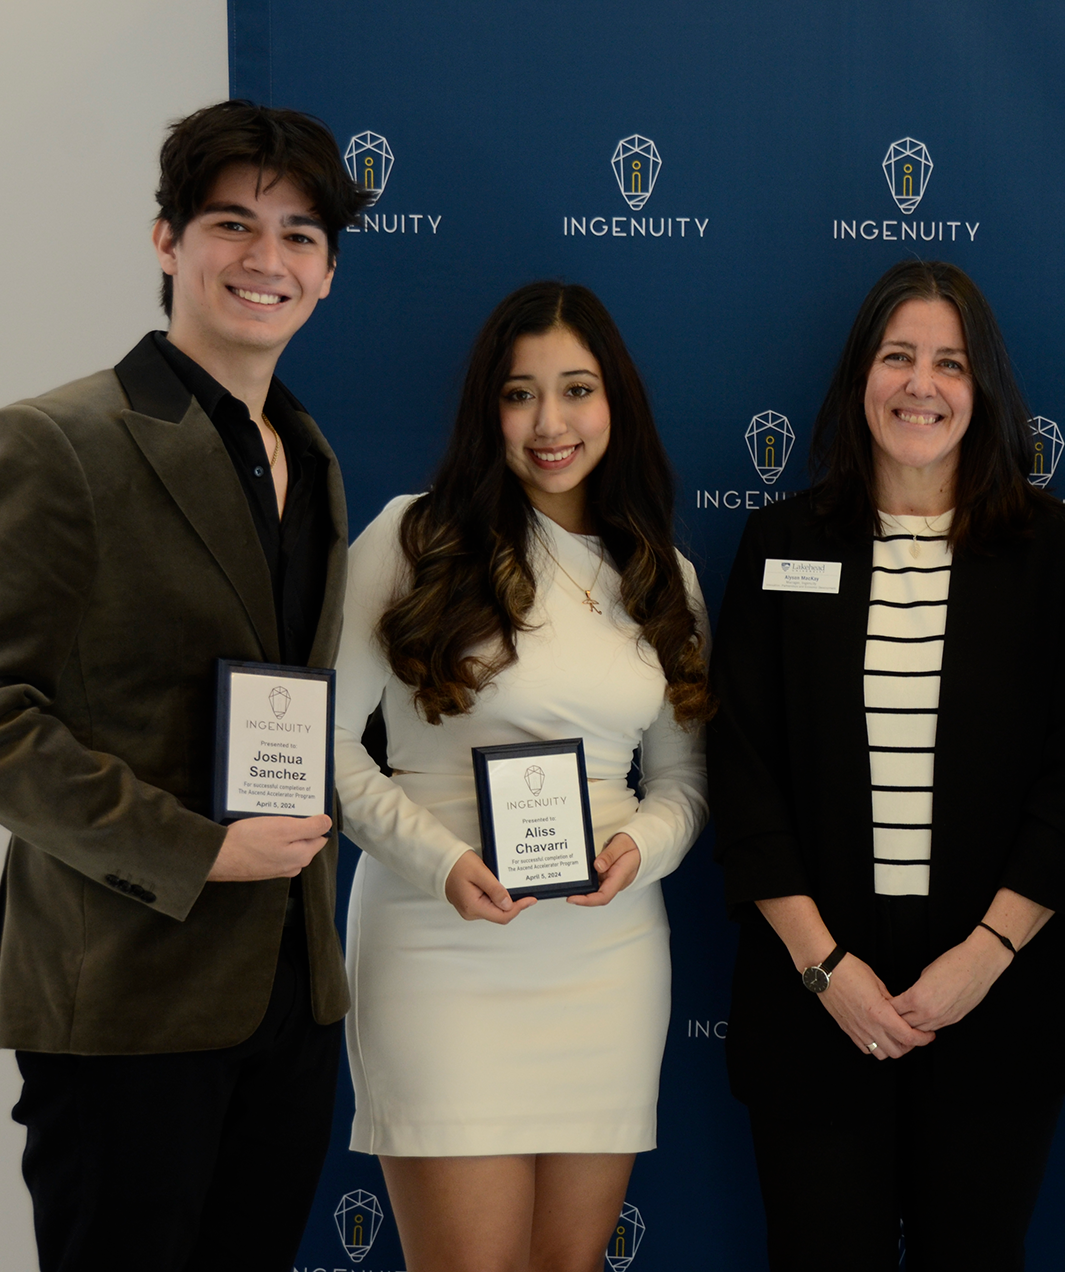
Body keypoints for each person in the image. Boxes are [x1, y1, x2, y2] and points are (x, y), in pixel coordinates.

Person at [0, 101, 369, 1269]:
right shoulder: (59, 440)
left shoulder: (312, 457)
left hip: (289, 992)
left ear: (326, 271)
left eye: (301, 235)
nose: (267, 260)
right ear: (166, 239)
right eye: (233, 223)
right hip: (125, 993)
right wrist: (190, 847)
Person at [708, 259, 1065, 1270]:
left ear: (983, 391)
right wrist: (827, 969)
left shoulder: (1055, 551)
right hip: (815, 1011)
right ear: (860, 378)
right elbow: (742, 773)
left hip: (996, 1010)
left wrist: (979, 962)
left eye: (950, 363)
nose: (920, 386)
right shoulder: (782, 541)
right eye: (897, 357)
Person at [330, 280, 709, 1272]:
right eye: (519, 394)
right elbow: (321, 746)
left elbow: (684, 780)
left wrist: (639, 847)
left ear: (614, 404)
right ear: (485, 411)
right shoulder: (414, 541)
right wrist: (439, 860)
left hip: (606, 955)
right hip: (438, 947)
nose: (550, 423)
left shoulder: (661, 572)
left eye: (576, 390)